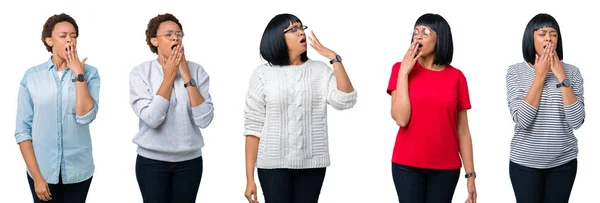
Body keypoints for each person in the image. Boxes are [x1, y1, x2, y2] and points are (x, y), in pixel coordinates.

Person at [243, 13, 357, 203]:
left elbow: (345, 100)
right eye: (293, 30)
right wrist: (249, 179)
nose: (300, 33)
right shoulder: (262, 74)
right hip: (272, 166)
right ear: (277, 38)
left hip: (312, 165)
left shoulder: (320, 71)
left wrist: (334, 58)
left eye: (301, 28)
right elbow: (253, 128)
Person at [386, 13, 477, 203]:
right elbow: (401, 119)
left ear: (440, 38)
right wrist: (403, 73)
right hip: (406, 165)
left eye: (425, 32)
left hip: (446, 168)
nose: (417, 36)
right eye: (415, 32)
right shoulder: (399, 69)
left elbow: (463, 131)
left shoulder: (457, 77)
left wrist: (471, 176)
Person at [14, 13, 100, 203]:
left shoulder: (90, 73)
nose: (70, 39)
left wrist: (79, 75)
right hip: (42, 171)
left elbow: (85, 116)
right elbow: (22, 131)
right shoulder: (32, 77)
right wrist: (37, 177)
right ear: (49, 41)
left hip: (78, 171)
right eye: (63, 36)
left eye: (73, 35)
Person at [129, 13, 214, 203]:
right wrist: (168, 77)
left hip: (189, 162)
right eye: (169, 34)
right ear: (154, 41)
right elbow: (152, 119)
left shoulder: (197, 71)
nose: (176, 37)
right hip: (151, 162)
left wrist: (185, 75)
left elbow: (204, 119)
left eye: (179, 34)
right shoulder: (140, 73)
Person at [506, 13, 585, 203]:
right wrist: (540, 75)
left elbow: (577, 121)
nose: (548, 38)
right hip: (524, 164)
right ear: (530, 38)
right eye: (542, 33)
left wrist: (560, 76)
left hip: (563, 163)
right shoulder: (515, 71)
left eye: (553, 34)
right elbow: (523, 121)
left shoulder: (572, 72)